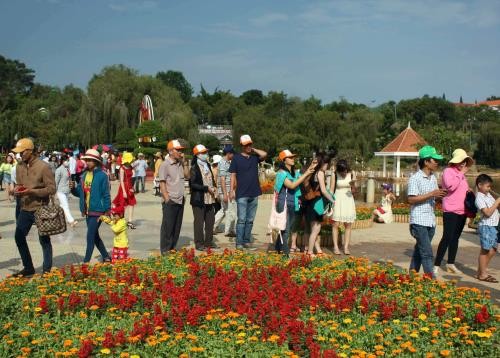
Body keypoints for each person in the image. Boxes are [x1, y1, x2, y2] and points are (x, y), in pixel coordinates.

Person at [11, 138, 56, 277]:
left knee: (44, 240)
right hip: (24, 208)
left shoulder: (43, 166)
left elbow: (52, 189)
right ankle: (28, 267)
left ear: (30, 151)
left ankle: (47, 270)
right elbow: (20, 185)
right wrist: (16, 190)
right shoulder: (19, 166)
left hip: (40, 208)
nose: (19, 155)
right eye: (18, 153)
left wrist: (32, 191)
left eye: (22, 152)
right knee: (18, 237)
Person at [407, 145, 447, 278]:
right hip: (418, 221)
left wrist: (441, 196)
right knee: (427, 253)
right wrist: (432, 194)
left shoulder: (433, 178)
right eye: (434, 160)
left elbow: (434, 196)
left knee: (419, 251)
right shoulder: (415, 178)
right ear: (426, 161)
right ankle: (431, 282)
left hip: (430, 221)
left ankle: (411, 277)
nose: (437, 162)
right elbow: (411, 199)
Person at [434, 149, 474, 275]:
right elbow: (451, 186)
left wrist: (469, 191)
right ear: (456, 161)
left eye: (465, 161)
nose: (463, 164)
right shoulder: (448, 172)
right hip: (450, 210)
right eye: (461, 161)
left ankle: (451, 263)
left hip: (462, 211)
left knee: (455, 238)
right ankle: (436, 264)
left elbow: (462, 189)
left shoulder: (461, 174)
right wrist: (461, 173)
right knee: (447, 237)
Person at [72, 149, 112, 263]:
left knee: (90, 236)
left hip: (98, 211)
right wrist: (72, 188)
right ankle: (106, 256)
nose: (88, 162)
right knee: (95, 236)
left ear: (96, 162)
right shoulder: (84, 175)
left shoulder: (102, 176)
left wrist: (107, 210)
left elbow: (106, 194)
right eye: (87, 160)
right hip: (87, 211)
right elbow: (79, 193)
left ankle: (86, 262)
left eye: (91, 160)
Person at [273, 150, 316, 257]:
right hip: (284, 203)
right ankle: (285, 253)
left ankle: (278, 247)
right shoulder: (281, 173)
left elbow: (303, 179)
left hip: (293, 203)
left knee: (288, 227)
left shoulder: (294, 172)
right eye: (290, 157)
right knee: (286, 228)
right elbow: (292, 185)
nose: (293, 159)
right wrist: (306, 173)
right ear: (284, 160)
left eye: (293, 157)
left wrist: (311, 168)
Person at [229, 135, 267, 250]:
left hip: (254, 192)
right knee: (241, 219)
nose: (248, 146)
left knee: (250, 220)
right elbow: (233, 175)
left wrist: (253, 149)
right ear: (242, 146)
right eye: (246, 145)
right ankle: (239, 243)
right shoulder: (236, 158)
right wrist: (231, 190)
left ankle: (246, 241)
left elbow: (264, 154)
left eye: (250, 144)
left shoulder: (255, 157)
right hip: (241, 193)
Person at [159, 139, 189, 254]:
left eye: (181, 150)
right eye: (178, 150)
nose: (181, 153)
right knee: (168, 226)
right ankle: (165, 249)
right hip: (170, 200)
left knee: (177, 226)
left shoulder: (180, 164)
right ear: (171, 151)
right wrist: (167, 198)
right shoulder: (165, 165)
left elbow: (187, 176)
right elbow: (162, 182)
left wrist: (185, 163)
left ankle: (172, 247)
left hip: (181, 199)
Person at [302, 152, 335, 257]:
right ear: (323, 163)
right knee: (316, 229)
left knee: (313, 229)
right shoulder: (320, 173)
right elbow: (324, 191)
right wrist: (333, 200)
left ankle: (314, 250)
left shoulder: (313, 172)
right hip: (317, 203)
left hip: (311, 202)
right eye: (327, 164)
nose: (327, 166)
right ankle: (310, 252)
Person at [190, 144, 219, 251]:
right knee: (199, 222)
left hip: (210, 199)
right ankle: (199, 243)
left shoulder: (207, 164)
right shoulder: (194, 167)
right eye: (203, 153)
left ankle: (208, 242)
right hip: (199, 199)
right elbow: (193, 184)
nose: (205, 154)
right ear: (197, 155)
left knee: (210, 221)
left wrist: (215, 187)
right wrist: (206, 188)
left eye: (205, 152)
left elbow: (211, 179)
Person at [475, 174, 500, 283]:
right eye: (487, 186)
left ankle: (481, 271)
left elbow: (494, 208)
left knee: (493, 249)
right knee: (485, 250)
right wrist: (498, 201)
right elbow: (488, 213)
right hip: (486, 226)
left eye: (490, 186)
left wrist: (496, 202)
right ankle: (483, 274)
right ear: (480, 185)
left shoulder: (488, 195)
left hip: (493, 226)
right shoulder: (479, 197)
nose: (489, 189)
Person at [331, 159, 357, 255]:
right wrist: (331, 202)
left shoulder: (352, 173)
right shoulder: (334, 174)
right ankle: (336, 247)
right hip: (337, 199)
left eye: (345, 170)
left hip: (348, 199)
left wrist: (353, 184)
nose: (344, 173)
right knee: (335, 224)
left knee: (348, 224)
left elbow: (354, 191)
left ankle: (346, 247)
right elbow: (331, 189)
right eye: (342, 171)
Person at [214, 145, 236, 237]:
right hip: (226, 190)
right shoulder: (223, 163)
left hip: (225, 190)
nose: (233, 155)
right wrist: (225, 194)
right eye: (232, 153)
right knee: (231, 211)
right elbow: (222, 179)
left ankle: (212, 226)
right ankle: (229, 230)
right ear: (228, 154)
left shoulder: (226, 162)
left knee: (223, 210)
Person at [113, 152, 137, 229]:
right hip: (124, 187)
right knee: (122, 203)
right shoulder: (122, 168)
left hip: (130, 186)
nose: (131, 161)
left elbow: (132, 177)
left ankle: (130, 221)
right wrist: (123, 191)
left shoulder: (130, 167)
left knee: (131, 203)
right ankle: (120, 219)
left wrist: (133, 187)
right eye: (130, 160)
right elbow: (122, 181)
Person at [55, 154, 78, 228]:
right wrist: (54, 192)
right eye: (65, 160)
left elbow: (69, 179)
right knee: (66, 206)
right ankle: (71, 221)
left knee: (62, 206)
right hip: (60, 191)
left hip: (67, 190)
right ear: (62, 161)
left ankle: (57, 219)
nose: (66, 162)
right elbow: (56, 181)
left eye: (67, 160)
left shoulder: (67, 169)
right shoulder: (59, 170)